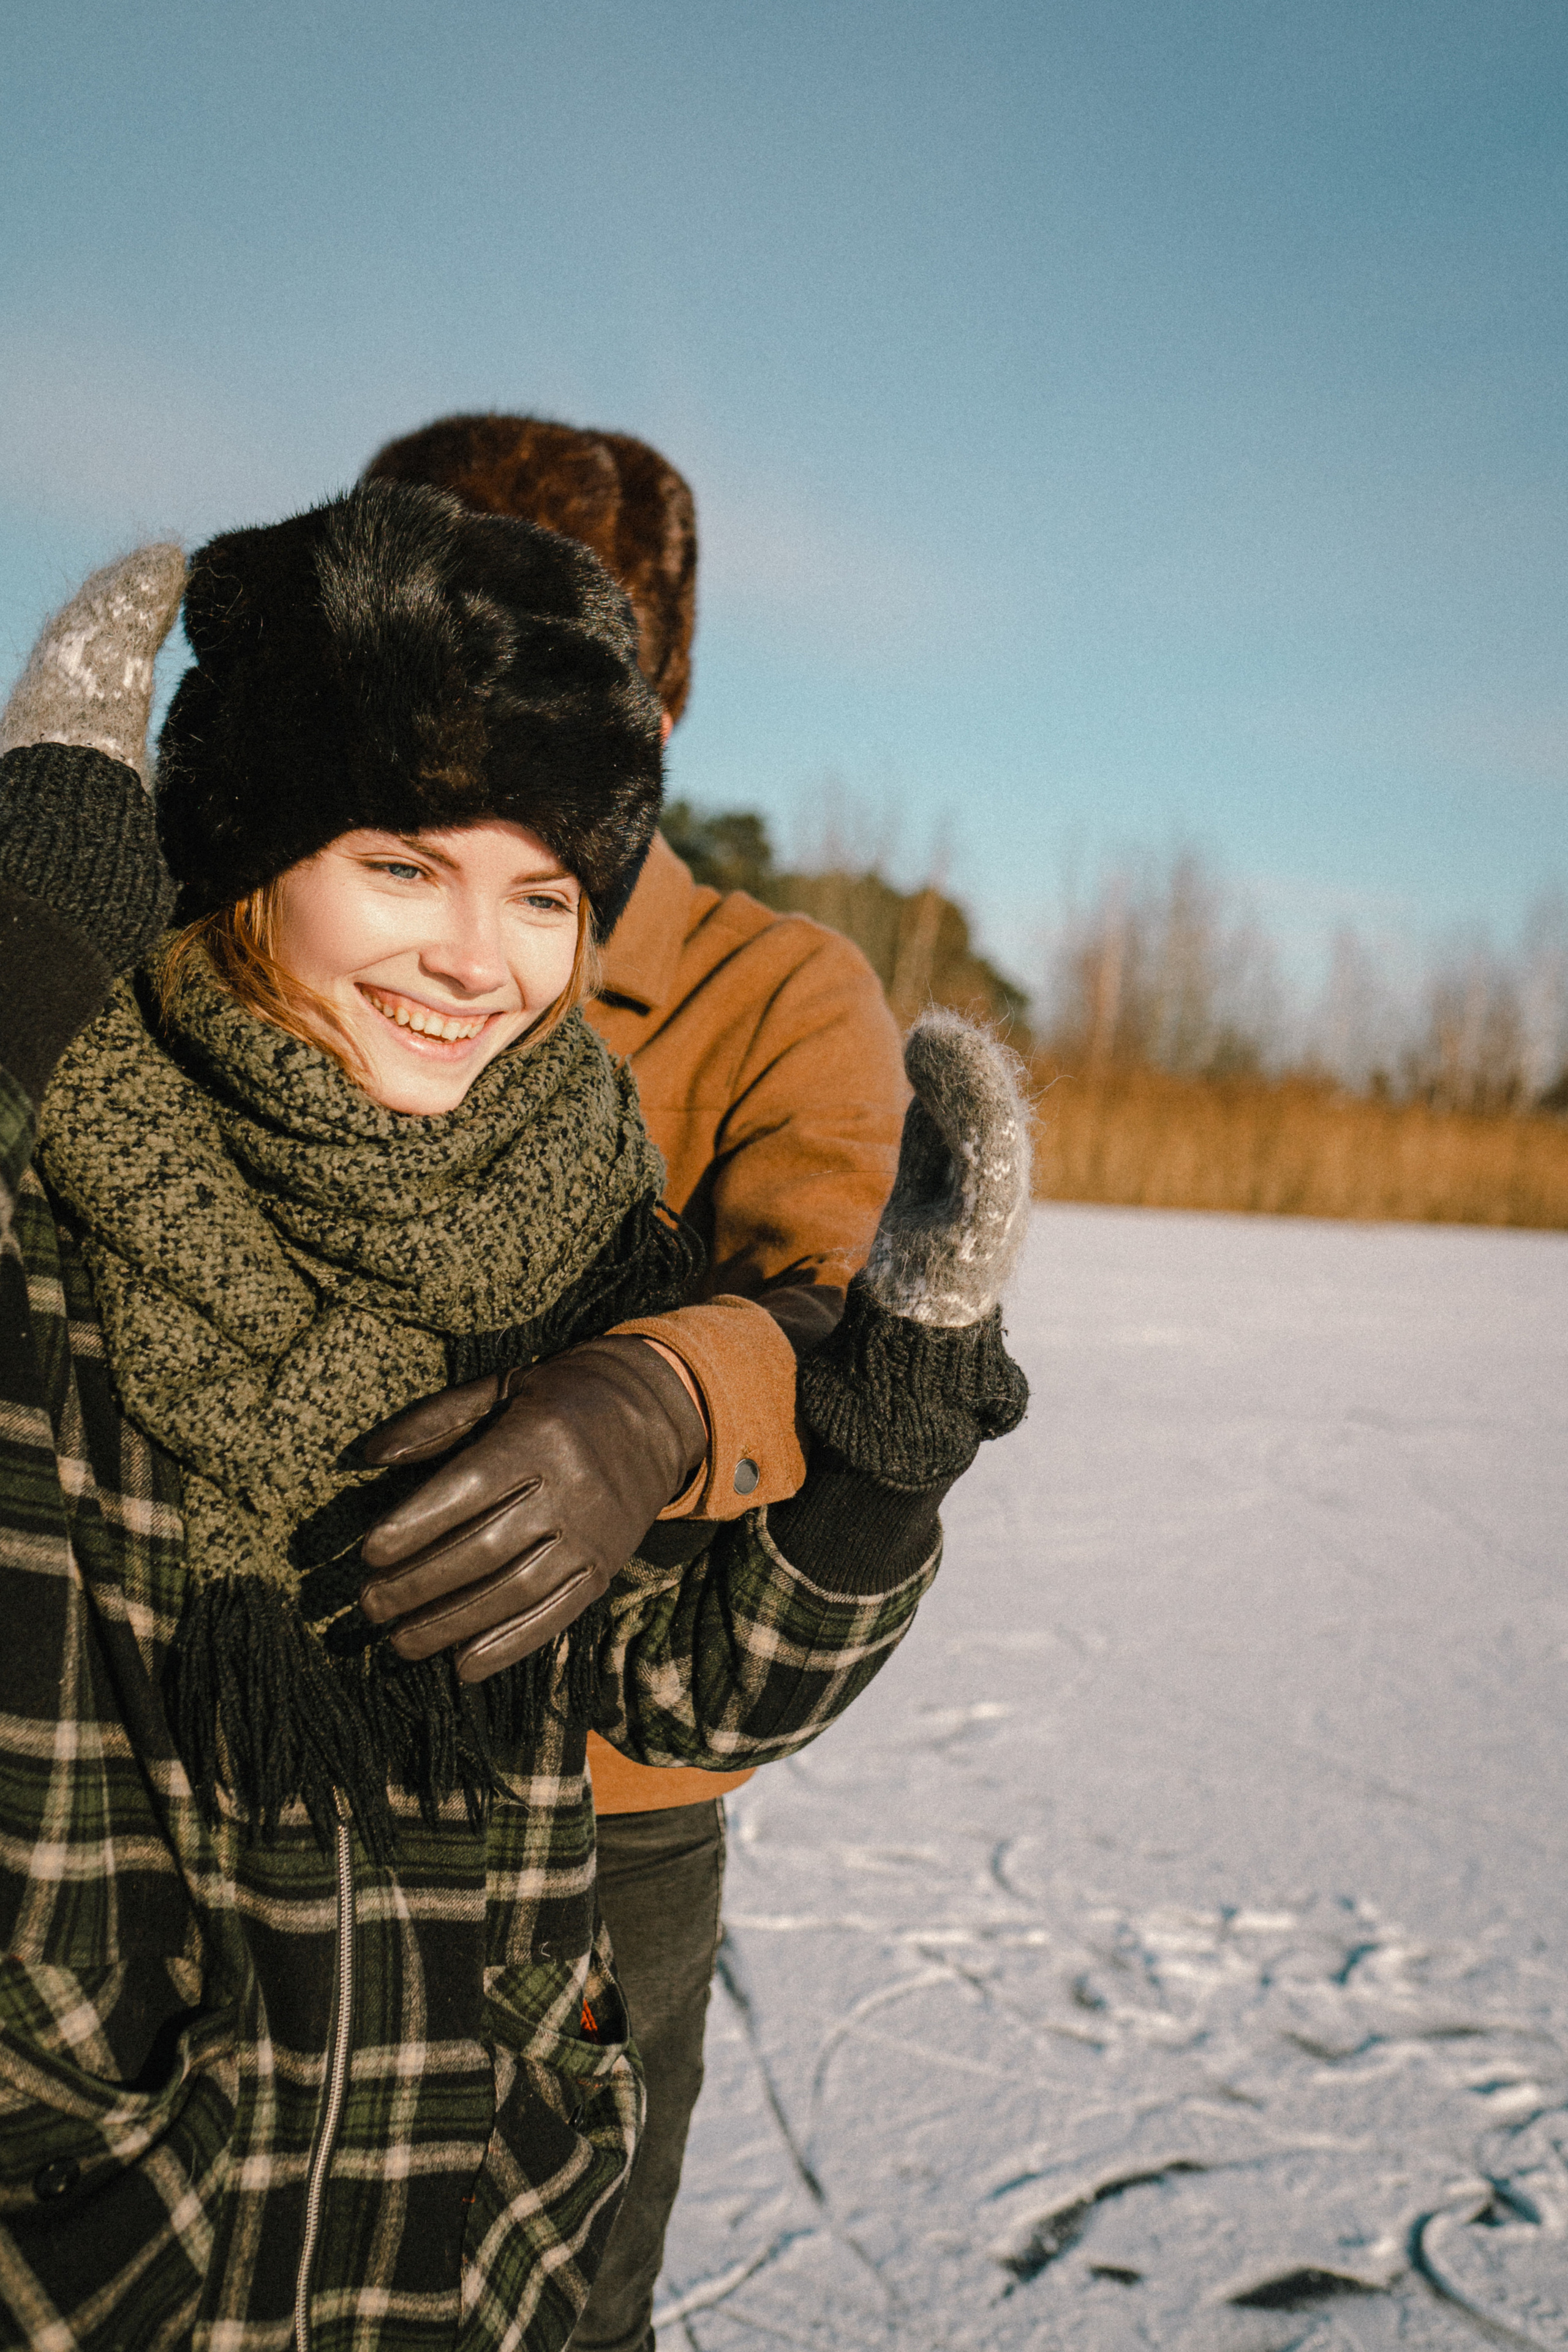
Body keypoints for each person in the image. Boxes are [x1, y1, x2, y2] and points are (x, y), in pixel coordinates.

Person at [0, 484, 1030, 2350]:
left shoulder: (565, 1222)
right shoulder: (59, 1199)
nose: (478, 960)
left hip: (460, 2229)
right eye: (401, 863)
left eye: (542, 896)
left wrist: (879, 1448)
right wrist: (32, 973)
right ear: (245, 848)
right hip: (107, 2241)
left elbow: (695, 1685)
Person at [360, 415, 913, 2352]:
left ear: (651, 693)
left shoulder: (775, 989)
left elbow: (839, 1301)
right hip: (250, 1767)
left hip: (602, 1805)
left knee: (555, 2298)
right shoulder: (250, 924)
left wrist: (651, 1401)